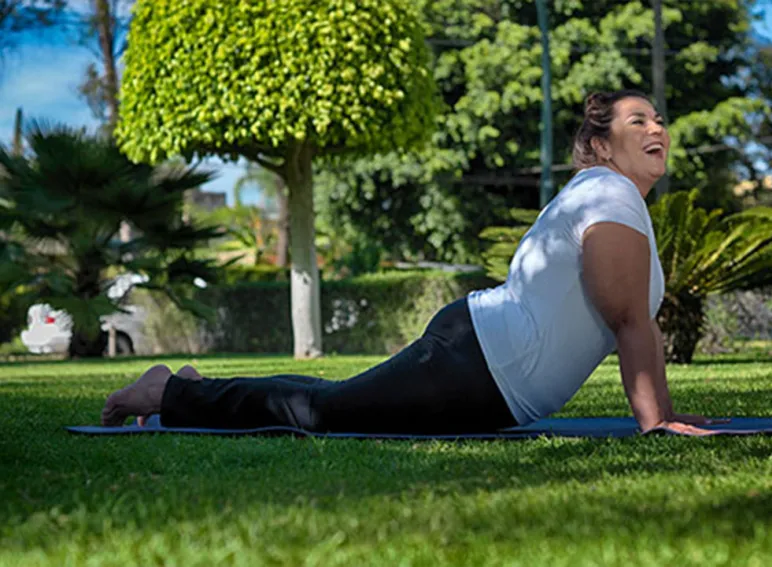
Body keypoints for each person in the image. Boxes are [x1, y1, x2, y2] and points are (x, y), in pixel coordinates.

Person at [102, 89, 716, 436]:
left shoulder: (617, 200)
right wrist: (654, 423)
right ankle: (166, 392)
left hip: (484, 367)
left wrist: (664, 412)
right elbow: (625, 315)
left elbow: (633, 319)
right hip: (476, 364)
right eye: (638, 120)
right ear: (602, 145)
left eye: (660, 120)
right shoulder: (607, 192)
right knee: (322, 414)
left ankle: (191, 390)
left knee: (335, 401)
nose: (657, 128)